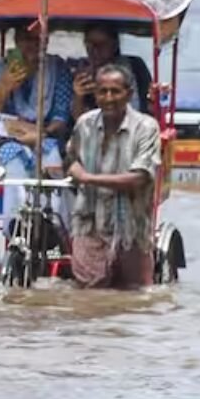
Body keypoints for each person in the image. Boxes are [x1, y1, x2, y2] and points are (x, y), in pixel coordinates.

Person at [66, 63, 161, 290]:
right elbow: (71, 158)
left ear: (128, 94)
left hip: (131, 228)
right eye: (103, 91)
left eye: (116, 91)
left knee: (134, 296)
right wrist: (73, 168)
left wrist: (88, 178)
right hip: (89, 225)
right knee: (89, 300)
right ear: (95, 93)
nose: (109, 98)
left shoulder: (146, 128)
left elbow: (139, 177)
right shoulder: (84, 124)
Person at [0, 24, 73, 226]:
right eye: (26, 39)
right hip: (7, 142)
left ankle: (53, 223)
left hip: (48, 140)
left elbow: (61, 119)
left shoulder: (58, 70)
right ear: (16, 41)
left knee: (52, 155)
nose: (32, 46)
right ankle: (13, 222)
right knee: (12, 156)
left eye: (37, 40)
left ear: (46, 42)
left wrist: (40, 134)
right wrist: (3, 89)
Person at [69, 23, 151, 120]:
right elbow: (78, 119)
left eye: (102, 44)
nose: (95, 50)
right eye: (89, 45)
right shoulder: (82, 72)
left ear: (115, 45)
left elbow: (148, 103)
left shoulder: (135, 66)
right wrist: (79, 96)